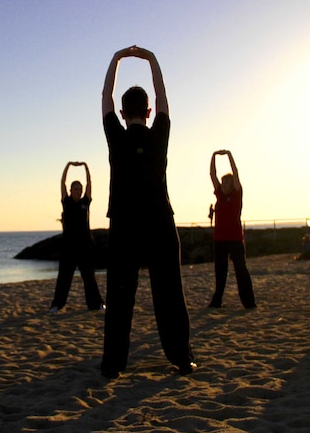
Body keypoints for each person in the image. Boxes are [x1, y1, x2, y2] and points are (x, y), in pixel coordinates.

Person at [100, 45, 195, 379]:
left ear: (124, 114)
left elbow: (105, 97)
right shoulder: (160, 134)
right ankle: (182, 358)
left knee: (120, 295)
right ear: (149, 111)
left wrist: (117, 59)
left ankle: (113, 364)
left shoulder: (116, 135)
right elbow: (164, 94)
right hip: (158, 221)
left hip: (125, 223)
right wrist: (152, 59)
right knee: (169, 293)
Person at [48, 161, 105, 313]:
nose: (78, 191)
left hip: (85, 244)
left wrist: (86, 166)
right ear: (71, 190)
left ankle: (97, 304)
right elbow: (62, 182)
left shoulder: (86, 202)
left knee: (89, 276)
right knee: (64, 277)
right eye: (75, 189)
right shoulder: (66, 202)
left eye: (79, 189)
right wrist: (68, 165)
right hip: (68, 245)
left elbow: (89, 183)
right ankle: (57, 305)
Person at [208, 150, 257, 309]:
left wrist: (228, 155)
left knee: (241, 270)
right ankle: (217, 301)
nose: (223, 185)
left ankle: (249, 302)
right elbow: (212, 174)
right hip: (219, 239)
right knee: (220, 271)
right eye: (223, 183)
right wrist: (214, 156)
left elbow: (235, 173)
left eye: (227, 183)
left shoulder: (236, 195)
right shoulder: (219, 196)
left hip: (235, 238)